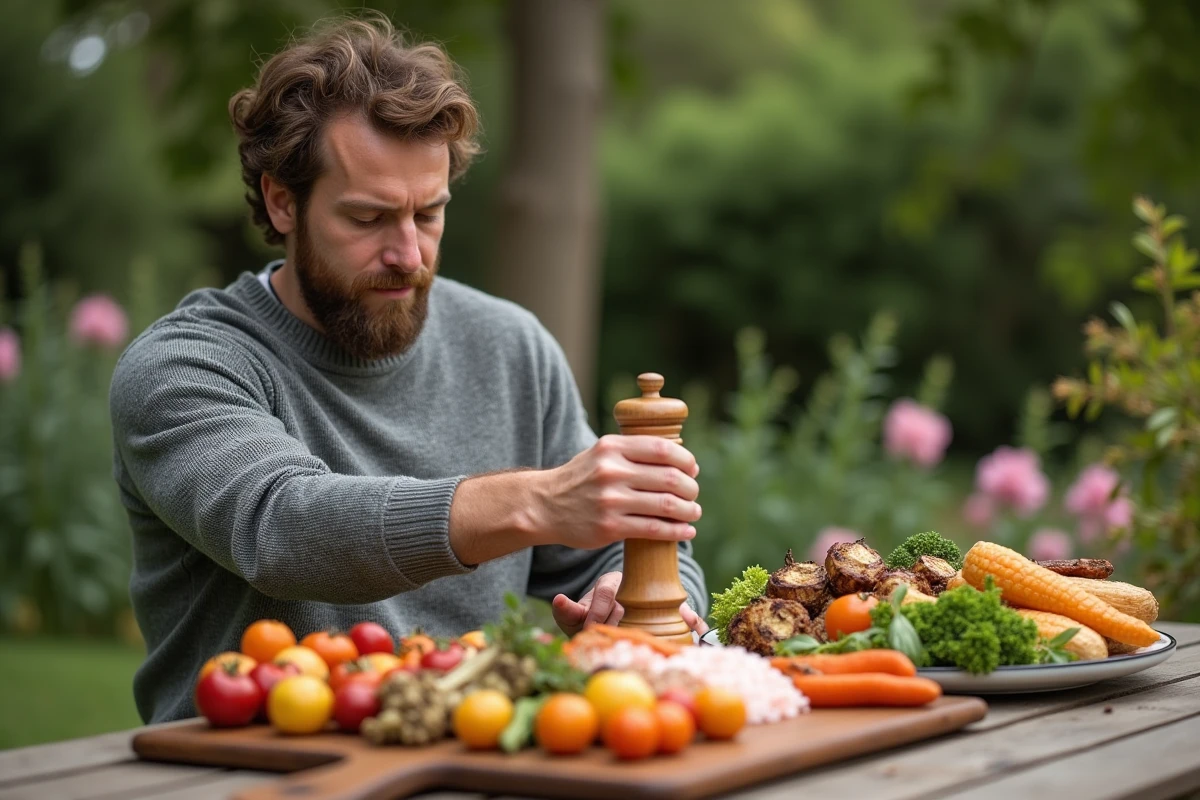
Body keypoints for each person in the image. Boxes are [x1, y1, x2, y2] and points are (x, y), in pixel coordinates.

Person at [108, 14, 709, 724]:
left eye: (429, 213)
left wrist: (624, 587)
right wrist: (535, 501)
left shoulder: (510, 346)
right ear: (281, 200)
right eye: (368, 219)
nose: (409, 254)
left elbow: (626, 548)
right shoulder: (187, 365)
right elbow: (281, 527)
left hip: (475, 756)